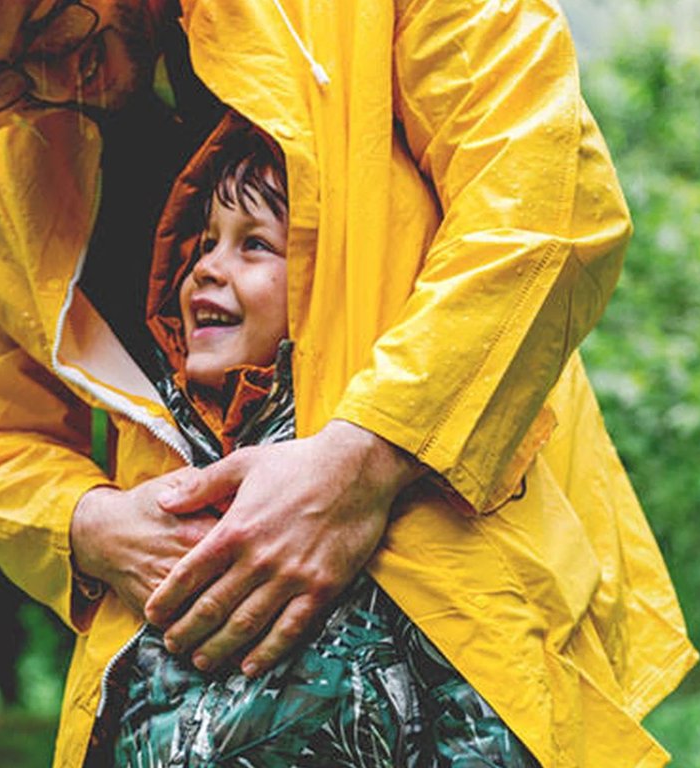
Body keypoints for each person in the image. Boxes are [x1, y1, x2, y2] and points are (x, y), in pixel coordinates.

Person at [0, 0, 697, 765]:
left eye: (51, 26)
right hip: (185, 691)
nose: (52, 83)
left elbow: (544, 203)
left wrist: (369, 455)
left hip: (472, 635)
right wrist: (88, 525)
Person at [95, 112, 536, 766]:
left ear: (318, 281)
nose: (208, 269)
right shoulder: (165, 454)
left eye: (254, 245)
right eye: (204, 243)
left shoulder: (387, 479)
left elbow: (484, 695)